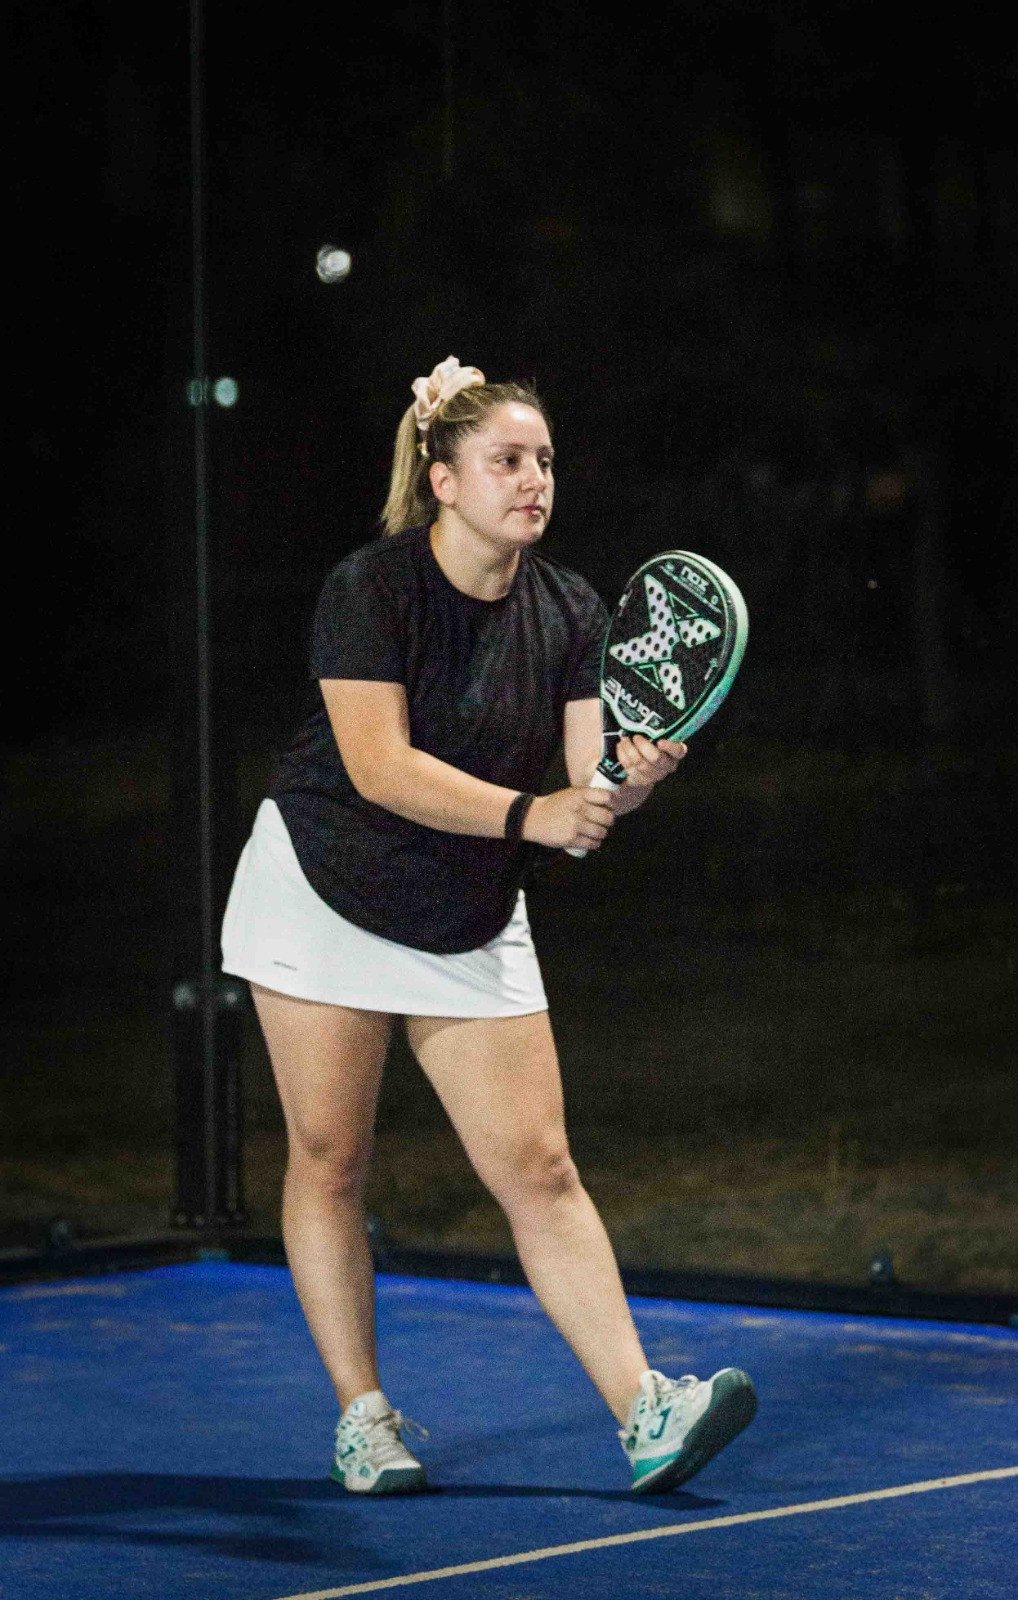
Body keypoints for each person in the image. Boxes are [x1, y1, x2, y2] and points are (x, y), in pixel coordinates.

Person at [221, 355, 756, 1496]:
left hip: (466, 908)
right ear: (444, 479)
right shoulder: (370, 589)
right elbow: (378, 768)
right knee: (332, 1157)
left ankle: (646, 1411)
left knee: (540, 1165)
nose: (533, 480)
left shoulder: (571, 611)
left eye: (544, 460)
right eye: (507, 460)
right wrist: (534, 814)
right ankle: (364, 1417)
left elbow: (587, 788)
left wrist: (631, 778)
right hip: (322, 884)